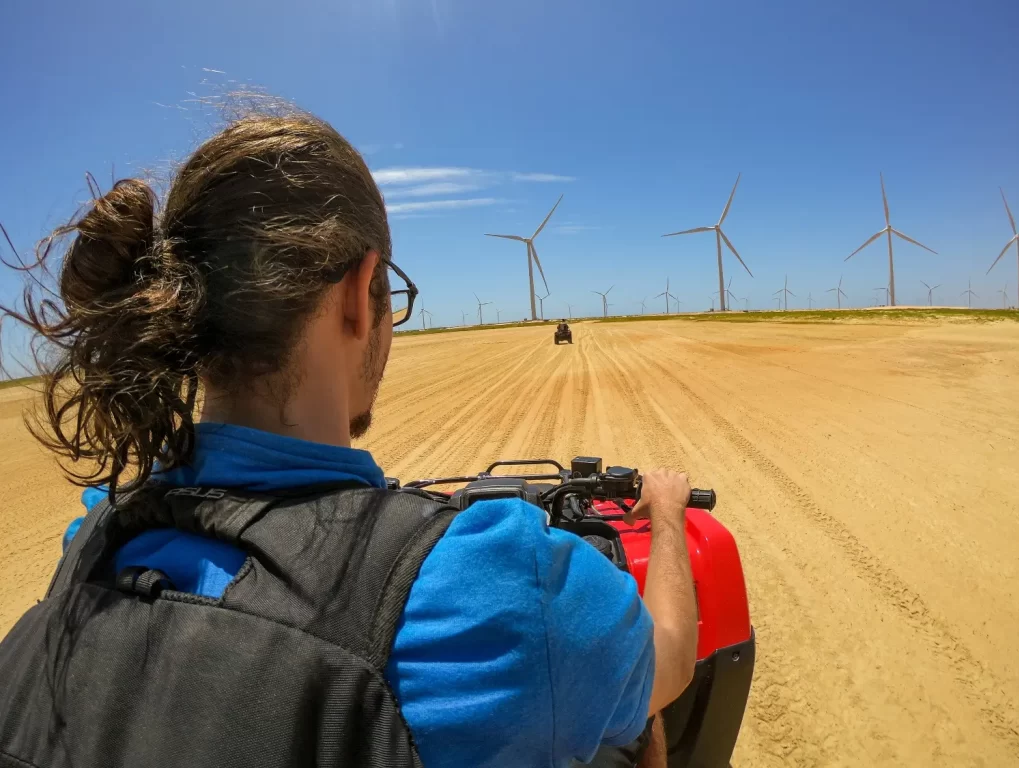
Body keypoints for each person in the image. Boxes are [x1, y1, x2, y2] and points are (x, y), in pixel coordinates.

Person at [0, 110, 698, 768]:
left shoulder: (94, 538)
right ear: (359, 293)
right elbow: (669, 660)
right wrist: (665, 515)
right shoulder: (501, 590)